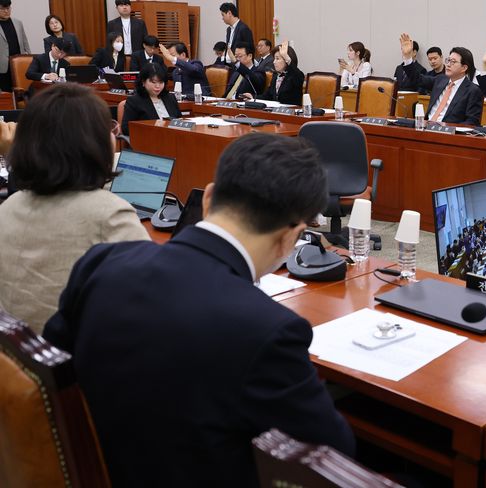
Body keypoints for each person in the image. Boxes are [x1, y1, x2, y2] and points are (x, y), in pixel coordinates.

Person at [42, 132, 356, 487]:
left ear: (208, 198)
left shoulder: (102, 262)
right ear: (290, 237)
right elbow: (333, 455)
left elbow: (54, 376)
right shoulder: (269, 329)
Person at [0, 84, 149, 334]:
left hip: (21, 353)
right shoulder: (109, 214)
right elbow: (154, 297)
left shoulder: (10, 205)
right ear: (91, 143)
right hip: (80, 353)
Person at [399, 33, 483, 126]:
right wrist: (407, 57)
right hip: (426, 127)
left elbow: (472, 121)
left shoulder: (473, 90)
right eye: (448, 60)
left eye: (453, 62)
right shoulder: (440, 80)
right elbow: (417, 78)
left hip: (447, 131)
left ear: (464, 68)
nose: (448, 64)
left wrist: (450, 129)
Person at [122, 63, 181, 135]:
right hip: (149, 138)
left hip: (173, 137)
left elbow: (179, 121)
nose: (157, 86)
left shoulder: (170, 98)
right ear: (143, 82)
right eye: (153, 82)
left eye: (161, 82)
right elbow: (126, 128)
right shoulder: (134, 101)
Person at [249, 41, 302, 106]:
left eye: (277, 59)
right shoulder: (276, 75)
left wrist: (287, 58)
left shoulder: (295, 75)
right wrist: (252, 97)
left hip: (291, 110)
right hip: (275, 109)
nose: (274, 62)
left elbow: (297, 74)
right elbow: (267, 96)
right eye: (274, 59)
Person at [0, 0, 30, 92]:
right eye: (2, 9)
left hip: (18, 63)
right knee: (6, 93)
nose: (6, 11)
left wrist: (28, 57)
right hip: (2, 66)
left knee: (22, 91)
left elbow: (25, 41)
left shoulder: (18, 22)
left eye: (8, 8)